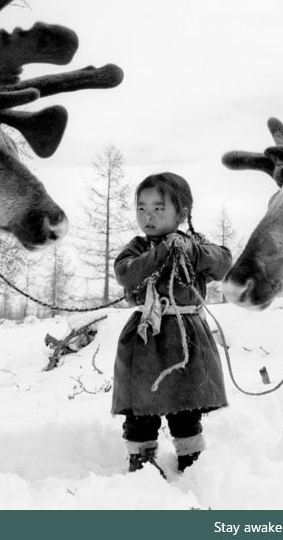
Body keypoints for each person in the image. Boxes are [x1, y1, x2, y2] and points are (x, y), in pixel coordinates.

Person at [112, 172, 231, 474]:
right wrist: (161, 253)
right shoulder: (138, 248)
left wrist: (191, 250)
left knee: (185, 405)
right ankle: (141, 462)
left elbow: (224, 262)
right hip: (145, 337)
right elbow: (126, 273)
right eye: (141, 208)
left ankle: (192, 464)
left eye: (158, 208)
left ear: (182, 213)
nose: (148, 216)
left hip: (186, 335)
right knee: (141, 408)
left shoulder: (194, 245)